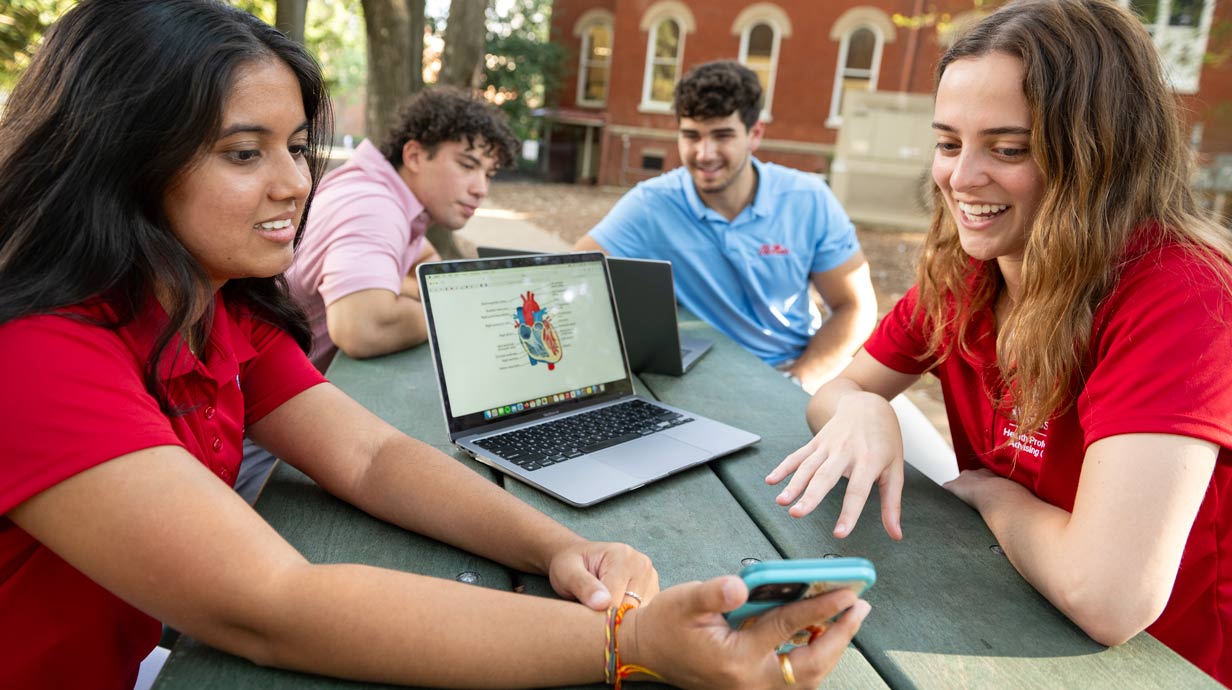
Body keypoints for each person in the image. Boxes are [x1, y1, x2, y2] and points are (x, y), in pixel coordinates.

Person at [0, 2, 869, 689]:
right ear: (119, 158)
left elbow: (370, 455)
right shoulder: (36, 355)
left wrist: (559, 548)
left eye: (300, 147)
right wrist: (630, 642)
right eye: (243, 152)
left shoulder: (212, 306)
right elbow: (270, 605)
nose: (296, 184)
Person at [767, 0, 1231, 685]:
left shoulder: (1181, 296)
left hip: (1163, 665)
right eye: (949, 143)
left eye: (1008, 148)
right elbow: (841, 387)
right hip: (1002, 607)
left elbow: (1108, 598)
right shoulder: (968, 270)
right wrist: (862, 409)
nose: (961, 177)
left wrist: (993, 497)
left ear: (1102, 156)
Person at [574, 60, 878, 393]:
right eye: (691, 136)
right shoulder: (652, 204)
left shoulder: (808, 199)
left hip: (794, 367)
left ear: (755, 134)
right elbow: (574, 277)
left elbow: (855, 307)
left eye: (722, 136)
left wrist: (798, 379)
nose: (704, 154)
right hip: (702, 380)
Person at [286, 87, 518, 373]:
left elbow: (424, 260)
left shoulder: (379, 190)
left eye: (488, 174)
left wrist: (419, 291)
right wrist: (448, 312)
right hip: (257, 407)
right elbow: (361, 328)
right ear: (415, 156)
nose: (481, 189)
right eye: (467, 165)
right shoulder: (374, 207)